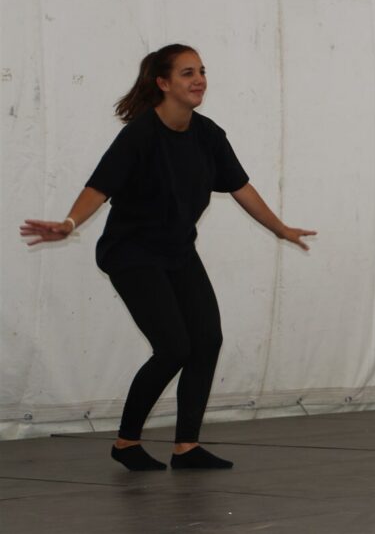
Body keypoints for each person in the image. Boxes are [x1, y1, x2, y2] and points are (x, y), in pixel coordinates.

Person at [21, 44, 316, 470]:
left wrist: (280, 228)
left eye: (202, 71)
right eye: (187, 73)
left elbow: (241, 187)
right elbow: (99, 187)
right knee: (174, 347)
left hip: (177, 251)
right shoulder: (140, 135)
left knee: (207, 340)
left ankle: (186, 447)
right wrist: (69, 223)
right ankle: (126, 443)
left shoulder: (208, 134)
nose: (199, 80)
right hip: (131, 253)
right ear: (163, 83)